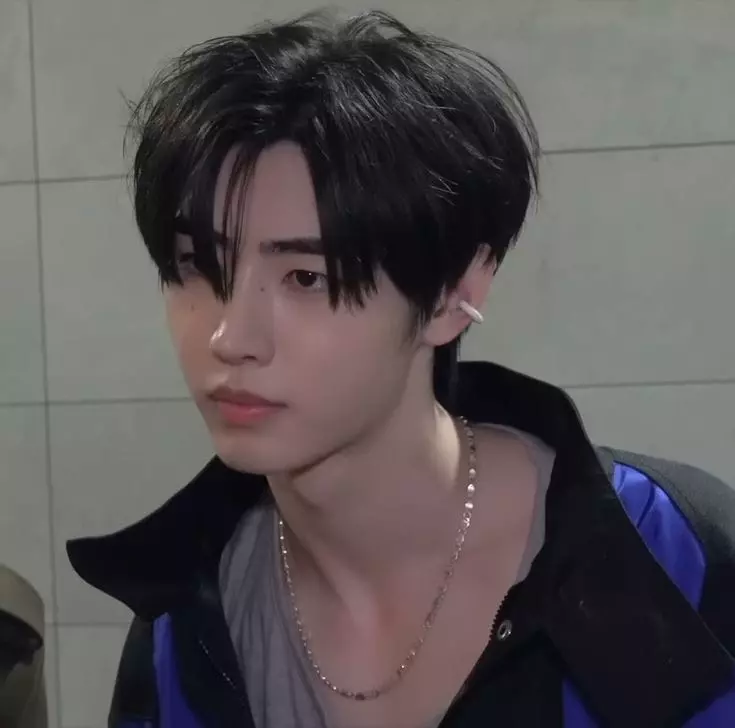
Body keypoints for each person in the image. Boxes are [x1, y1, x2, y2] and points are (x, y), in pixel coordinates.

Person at [67, 9, 735, 728]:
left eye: (306, 278)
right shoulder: (185, 626)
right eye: (198, 267)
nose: (231, 337)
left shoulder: (666, 555)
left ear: (455, 293)